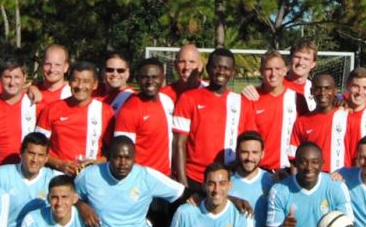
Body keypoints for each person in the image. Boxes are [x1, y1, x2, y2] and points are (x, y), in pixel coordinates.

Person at [172, 48, 243, 186]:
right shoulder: (188, 98)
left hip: (227, 178)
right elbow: (179, 143)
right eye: (216, 67)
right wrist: (183, 183)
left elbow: (245, 142)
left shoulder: (240, 102)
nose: (221, 72)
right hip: (193, 177)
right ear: (208, 69)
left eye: (226, 68)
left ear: (232, 72)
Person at [37, 62, 113, 176]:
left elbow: (113, 150)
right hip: (57, 176)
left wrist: (96, 163)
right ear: (69, 82)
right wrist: (59, 164)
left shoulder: (105, 111)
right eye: (76, 80)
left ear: (95, 84)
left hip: (93, 177)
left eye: (86, 81)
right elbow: (37, 148)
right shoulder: (52, 109)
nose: (80, 86)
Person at [227, 131, 278, 227]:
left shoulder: (272, 181)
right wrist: (231, 199)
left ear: (263, 154)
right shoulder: (226, 182)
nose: (249, 157)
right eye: (244, 152)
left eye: (255, 152)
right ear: (237, 153)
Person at [111, 58, 176, 174]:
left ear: (163, 78)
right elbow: (122, 154)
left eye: (155, 77)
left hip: (166, 176)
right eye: (145, 77)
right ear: (138, 80)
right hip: (140, 178)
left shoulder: (167, 102)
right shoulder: (129, 110)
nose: (150, 81)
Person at [240, 50, 300, 171]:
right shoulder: (250, 98)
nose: (273, 74)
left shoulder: (297, 98)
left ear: (285, 70)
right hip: (260, 170)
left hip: (290, 169)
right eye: (268, 69)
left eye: (278, 68)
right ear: (261, 71)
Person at [0, 132, 57, 227]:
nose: (35, 160)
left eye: (40, 155)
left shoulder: (53, 179)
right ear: (21, 153)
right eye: (31, 153)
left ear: (46, 158)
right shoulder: (0, 175)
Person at [290, 72, 349, 172]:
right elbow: (293, 158)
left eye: (327, 88)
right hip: (312, 179)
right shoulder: (302, 122)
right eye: (318, 88)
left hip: (341, 178)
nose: (322, 92)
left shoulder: (346, 116)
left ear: (335, 91)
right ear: (311, 91)